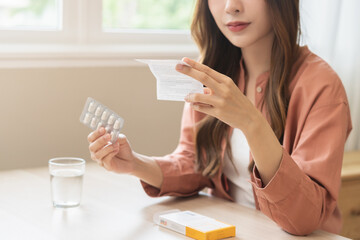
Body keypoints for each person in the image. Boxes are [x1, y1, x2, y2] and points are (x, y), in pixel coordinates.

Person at [87, 0, 352, 236]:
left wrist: (252, 123)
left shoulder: (321, 86)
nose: (231, 6)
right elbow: (195, 163)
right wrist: (135, 164)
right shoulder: (212, 72)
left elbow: (304, 217)